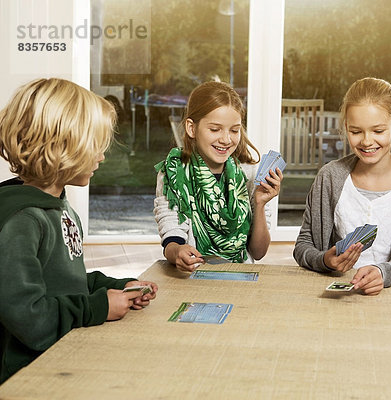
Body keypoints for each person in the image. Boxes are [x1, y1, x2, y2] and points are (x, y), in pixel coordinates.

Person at [0, 78, 158, 384]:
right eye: (94, 146)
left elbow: (59, 282)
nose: (101, 156)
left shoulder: (61, 207)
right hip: (25, 377)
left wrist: (115, 286)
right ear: (61, 147)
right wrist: (98, 307)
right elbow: (28, 318)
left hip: (59, 358)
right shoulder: (22, 221)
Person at [293, 77, 391, 295]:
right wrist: (325, 260)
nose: (367, 141)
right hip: (335, 293)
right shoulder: (329, 177)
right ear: (346, 129)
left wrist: (382, 273)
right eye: (356, 131)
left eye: (378, 131)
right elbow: (303, 246)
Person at [154, 81, 283, 271]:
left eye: (234, 130)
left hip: (240, 278)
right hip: (193, 277)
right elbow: (172, 237)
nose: (226, 139)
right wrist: (178, 251)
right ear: (191, 128)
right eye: (215, 129)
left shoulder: (248, 173)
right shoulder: (174, 172)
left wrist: (260, 204)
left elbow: (258, 252)